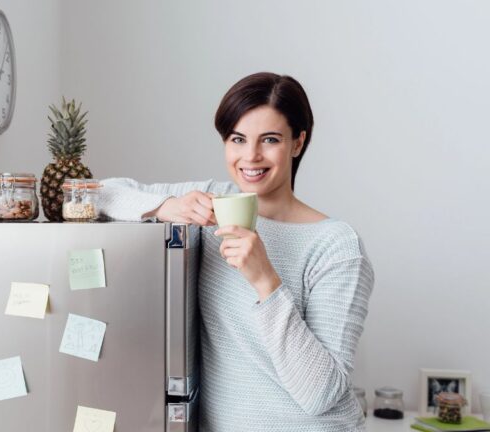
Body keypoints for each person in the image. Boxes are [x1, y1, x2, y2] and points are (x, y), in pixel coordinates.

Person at [98, 72, 374, 431]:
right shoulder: (212, 200)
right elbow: (99, 192)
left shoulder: (337, 246)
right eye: (237, 139)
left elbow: (321, 394)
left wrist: (265, 281)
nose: (251, 156)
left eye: (270, 139)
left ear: (297, 143)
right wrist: (165, 206)